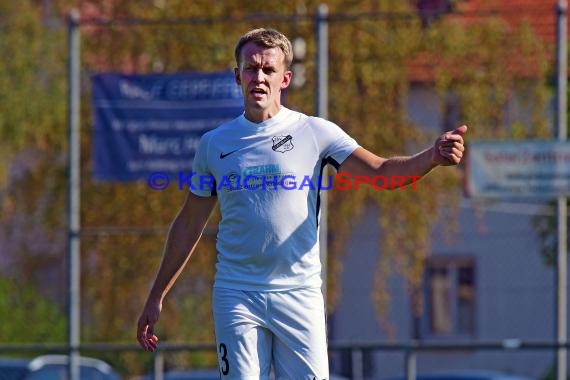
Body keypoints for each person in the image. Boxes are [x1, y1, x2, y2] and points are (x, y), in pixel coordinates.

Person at [136, 28, 467, 379]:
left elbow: (382, 172)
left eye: (268, 70)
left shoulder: (315, 132)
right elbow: (189, 222)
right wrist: (157, 294)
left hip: (299, 293)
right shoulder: (214, 145)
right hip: (237, 294)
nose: (259, 77)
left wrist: (431, 157)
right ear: (237, 76)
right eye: (250, 69)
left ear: (285, 79)